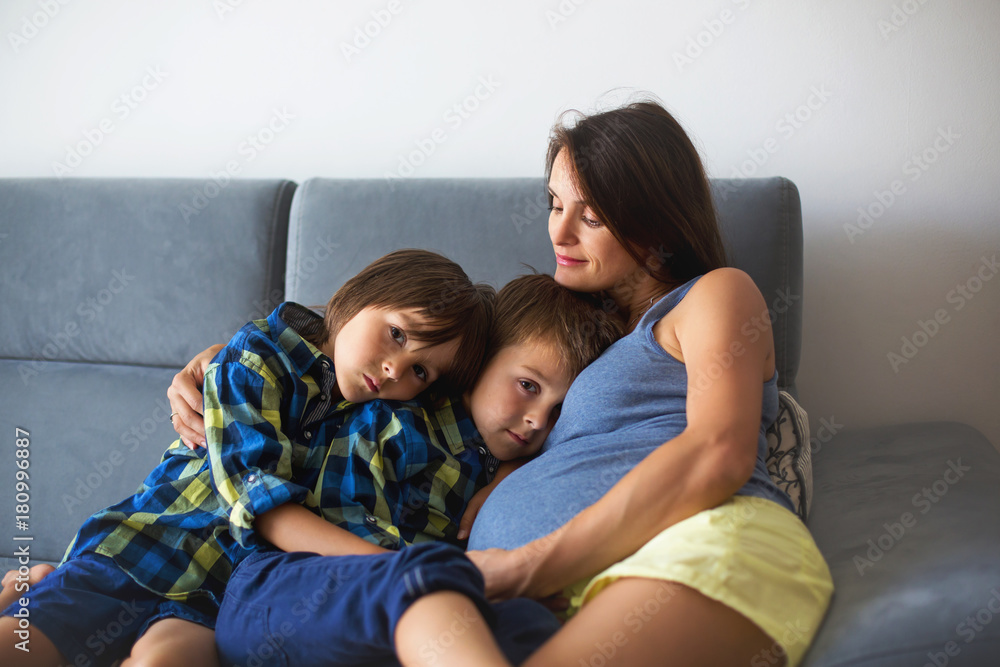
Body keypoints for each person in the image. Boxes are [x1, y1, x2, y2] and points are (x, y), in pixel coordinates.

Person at [172, 98, 834, 667]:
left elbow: (718, 449)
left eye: (592, 215)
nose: (560, 230)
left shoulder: (714, 296)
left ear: (657, 224)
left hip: (696, 548)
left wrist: (526, 563)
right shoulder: (571, 326)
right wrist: (228, 357)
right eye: (554, 203)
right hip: (539, 596)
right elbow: (382, 332)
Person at [0, 249, 494, 667]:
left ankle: (30, 584)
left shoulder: (387, 416)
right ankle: (31, 588)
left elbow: (490, 434)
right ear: (361, 295)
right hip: (151, 543)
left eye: (421, 372)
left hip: (221, 591)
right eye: (398, 334)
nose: (394, 369)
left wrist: (504, 474)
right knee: (26, 643)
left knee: (163, 660)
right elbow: (260, 501)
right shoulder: (259, 353)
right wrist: (391, 569)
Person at [210, 272, 622, 667]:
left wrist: (510, 472)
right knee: (430, 587)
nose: (537, 421)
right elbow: (341, 509)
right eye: (528, 386)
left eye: (558, 411)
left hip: (392, 610)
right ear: (474, 362)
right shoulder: (396, 407)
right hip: (282, 584)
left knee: (524, 621)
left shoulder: (499, 463)